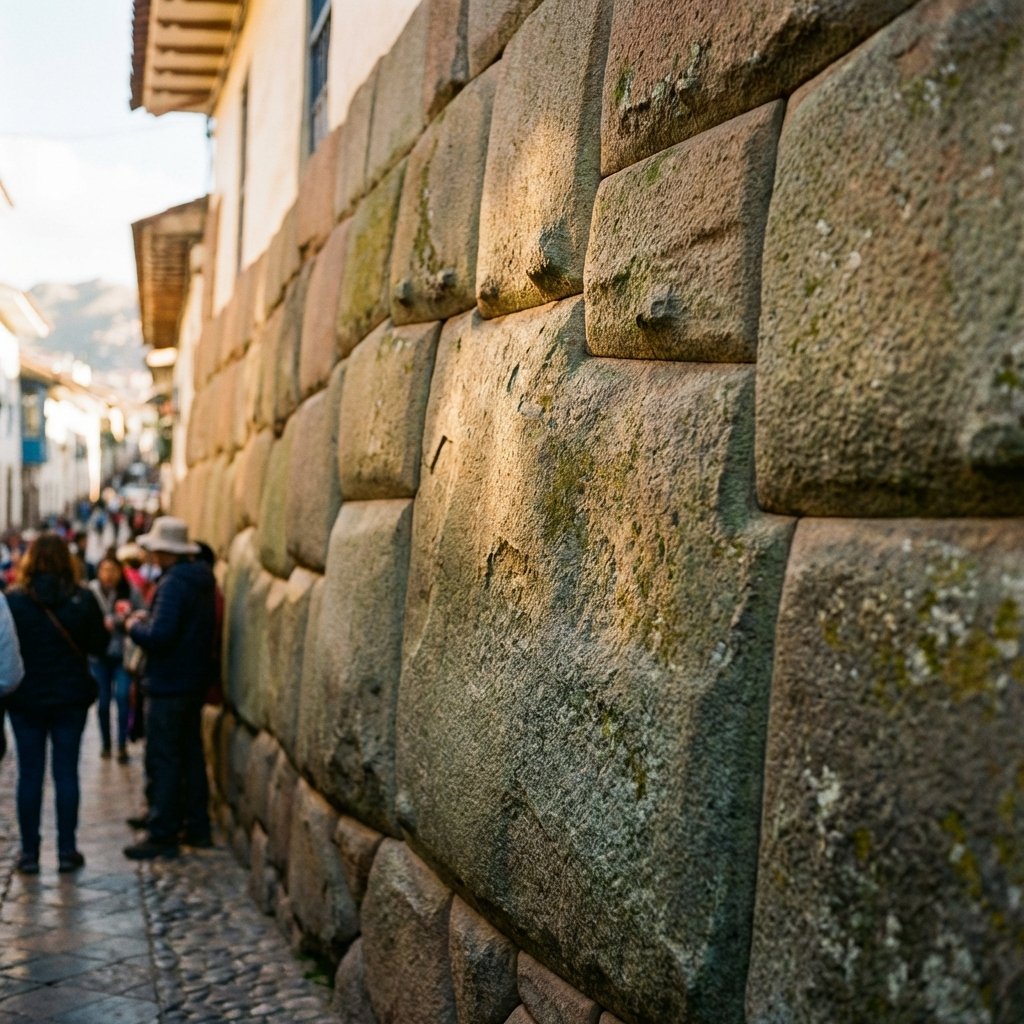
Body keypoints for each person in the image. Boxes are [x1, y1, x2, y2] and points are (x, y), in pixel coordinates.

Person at [5, 533, 108, 873]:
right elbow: (99, 644)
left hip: (26, 700)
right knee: (66, 773)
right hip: (70, 700)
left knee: (29, 775)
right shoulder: (82, 599)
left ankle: (29, 854)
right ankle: (66, 850)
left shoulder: (15, 602)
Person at [124, 517, 216, 860]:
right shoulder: (200, 580)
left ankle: (163, 831)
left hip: (169, 683)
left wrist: (133, 626)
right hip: (190, 681)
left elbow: (161, 636)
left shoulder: (175, 584)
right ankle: (196, 825)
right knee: (190, 755)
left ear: (164, 551)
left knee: (164, 757)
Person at [88, 554, 144, 763]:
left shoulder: (130, 591)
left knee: (122, 697)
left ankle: (121, 745)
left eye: (113, 570)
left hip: (122, 655)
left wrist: (125, 620)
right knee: (102, 703)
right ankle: (106, 744)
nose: (109, 575)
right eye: (105, 570)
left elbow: (143, 613)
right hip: (98, 656)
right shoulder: (91, 591)